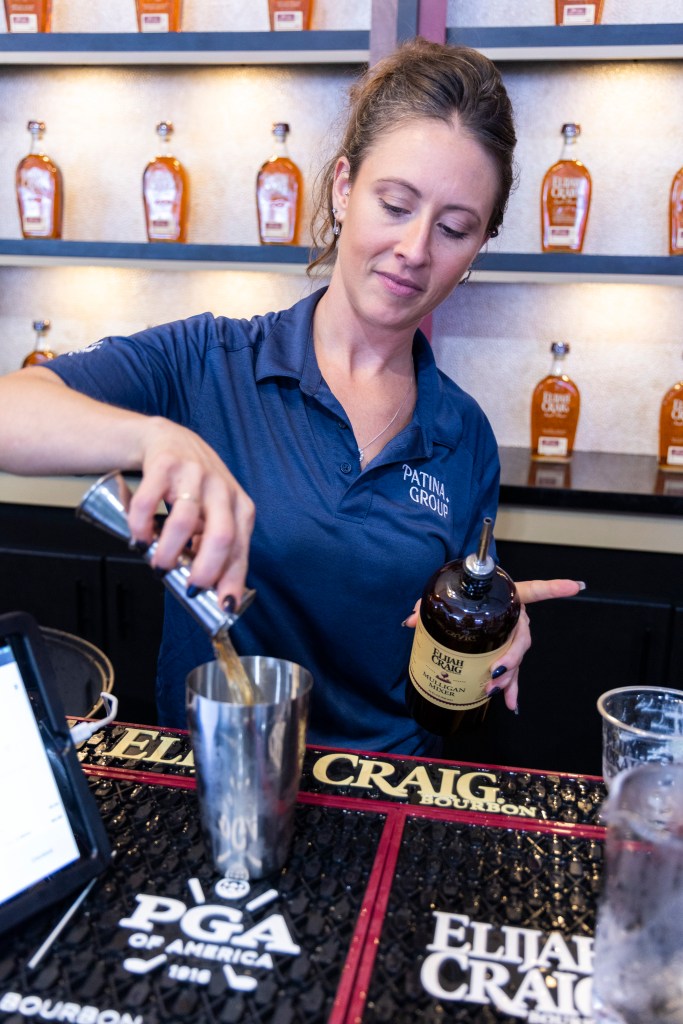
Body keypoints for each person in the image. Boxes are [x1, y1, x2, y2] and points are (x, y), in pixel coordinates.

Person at [0, 39, 581, 756]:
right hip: (223, 780)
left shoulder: (462, 433)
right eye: (394, 204)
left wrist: (487, 623)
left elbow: (441, 622)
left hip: (386, 789)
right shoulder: (209, 362)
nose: (414, 248)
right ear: (343, 188)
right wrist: (152, 438)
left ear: (477, 248)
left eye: (454, 228)